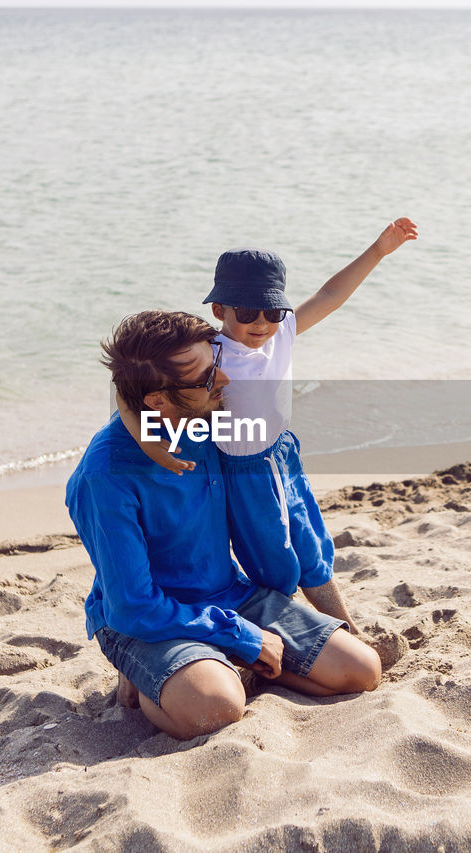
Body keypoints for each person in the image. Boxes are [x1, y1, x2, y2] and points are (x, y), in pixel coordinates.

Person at [66, 310, 381, 741]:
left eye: (217, 365)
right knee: (215, 707)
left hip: (230, 595)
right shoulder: (103, 477)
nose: (225, 381)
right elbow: (133, 606)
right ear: (156, 400)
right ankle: (151, 681)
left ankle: (227, 669)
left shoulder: (216, 420)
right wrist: (245, 638)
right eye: (208, 377)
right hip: (144, 621)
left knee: (361, 670)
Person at [121, 218, 417, 626]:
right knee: (273, 560)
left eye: (273, 310)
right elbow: (126, 386)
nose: (261, 322)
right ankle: (288, 633)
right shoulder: (209, 350)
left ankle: (345, 629)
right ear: (219, 309)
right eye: (247, 311)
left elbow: (331, 294)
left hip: (283, 453)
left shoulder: (283, 333)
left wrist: (379, 250)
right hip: (241, 471)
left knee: (310, 544)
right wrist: (150, 442)